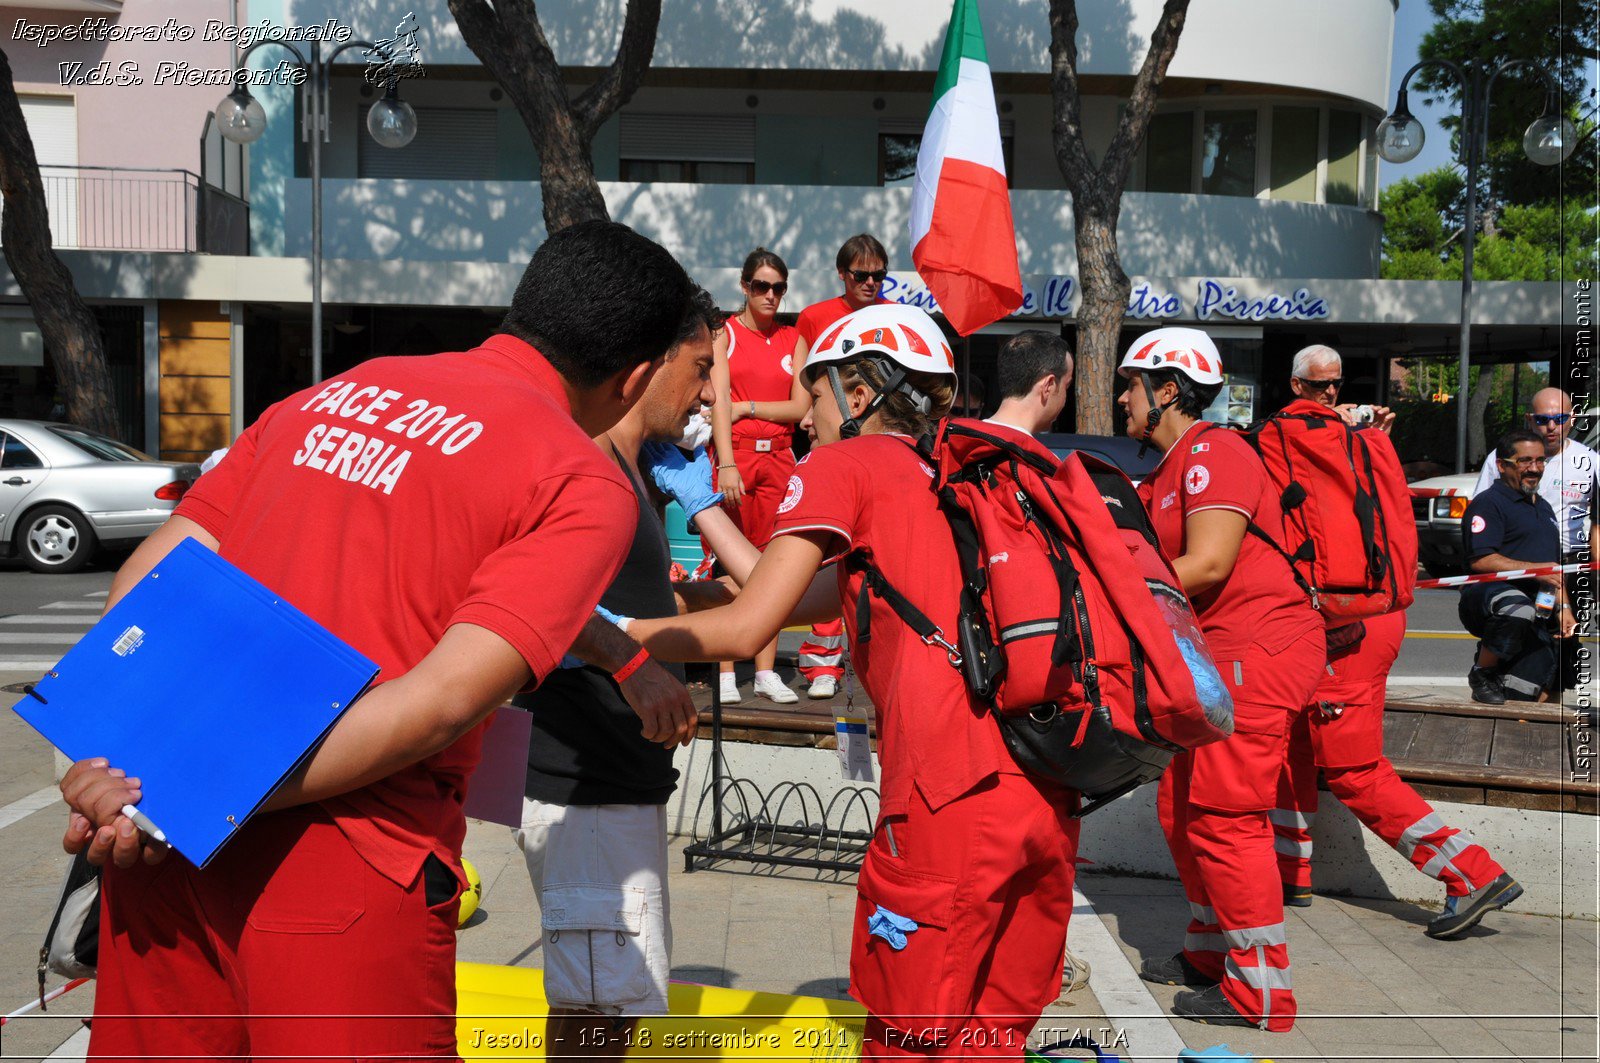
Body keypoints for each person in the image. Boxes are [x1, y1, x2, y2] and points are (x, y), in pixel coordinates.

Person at [58, 220, 704, 1060]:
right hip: (345, 867)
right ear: (637, 376)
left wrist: (139, 775)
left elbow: (151, 584)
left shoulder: (334, 392)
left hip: (167, 861)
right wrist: (198, 791)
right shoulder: (579, 481)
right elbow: (438, 703)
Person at [629, 303, 1081, 1059]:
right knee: (987, 1040)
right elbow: (773, 592)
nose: (807, 414)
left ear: (861, 394)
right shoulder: (951, 475)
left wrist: (610, 637)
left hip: (946, 801)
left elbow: (748, 630)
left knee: (906, 1036)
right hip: (1042, 792)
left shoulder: (847, 465)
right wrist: (695, 525)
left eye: (817, 393)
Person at [512, 288, 726, 1061]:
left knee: (604, 1010)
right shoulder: (581, 458)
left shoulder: (640, 467)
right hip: (582, 785)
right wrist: (631, 660)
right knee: (597, 1016)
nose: (708, 391)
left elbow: (623, 593)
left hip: (614, 785)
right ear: (653, 360)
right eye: (701, 368)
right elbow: (527, 590)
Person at [1271, 345, 1521, 939]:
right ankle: (1289, 868)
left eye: (1330, 386)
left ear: (1292, 386)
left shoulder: (1287, 435)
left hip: (1342, 619)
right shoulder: (1369, 437)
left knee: (1354, 768)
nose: (1328, 395)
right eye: (1323, 386)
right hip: (1371, 611)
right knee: (1293, 736)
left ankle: (1472, 874)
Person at [1118, 327, 1323, 1032]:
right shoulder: (1169, 467)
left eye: (1130, 384)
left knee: (1226, 818)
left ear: (1168, 389)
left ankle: (1263, 992)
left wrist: (1112, 604)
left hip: (1258, 649)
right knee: (1181, 808)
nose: (1121, 398)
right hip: (1219, 654)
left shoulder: (1215, 452)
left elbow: (1204, 566)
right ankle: (1211, 954)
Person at [789, 233, 895, 701]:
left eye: (878, 275)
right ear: (842, 274)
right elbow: (802, 395)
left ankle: (874, 656)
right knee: (828, 550)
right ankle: (821, 663)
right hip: (832, 445)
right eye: (860, 275)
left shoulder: (897, 316)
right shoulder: (815, 317)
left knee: (877, 555)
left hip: (884, 447)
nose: (870, 283)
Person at [709, 248, 810, 705]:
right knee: (729, 563)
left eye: (778, 288)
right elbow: (718, 405)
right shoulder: (725, 333)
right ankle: (726, 668)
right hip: (738, 457)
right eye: (761, 286)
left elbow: (799, 407)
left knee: (773, 565)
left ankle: (766, 671)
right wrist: (726, 461)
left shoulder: (793, 339)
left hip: (781, 457)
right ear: (745, 286)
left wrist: (748, 406)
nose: (770, 295)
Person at [1460, 429, 1574, 703]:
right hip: (1490, 597)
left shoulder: (1544, 508)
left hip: (1538, 606)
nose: (1534, 469)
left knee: (1537, 688)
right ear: (1501, 465)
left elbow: (1552, 571)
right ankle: (1482, 672)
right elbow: (1481, 560)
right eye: (1524, 461)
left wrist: (1564, 609)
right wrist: (1536, 570)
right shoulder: (1488, 503)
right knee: (1519, 609)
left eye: (1540, 461)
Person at [1472, 387, 1597, 561]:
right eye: (1542, 420)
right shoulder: (1504, 456)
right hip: (1516, 559)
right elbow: (1481, 506)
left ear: (1573, 418)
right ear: (1529, 420)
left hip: (1569, 560)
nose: (1551, 427)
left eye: (1560, 419)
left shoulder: (1591, 461)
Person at [1286, 343, 1395, 433]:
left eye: (1337, 383)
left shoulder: (1351, 426)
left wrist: (1377, 435)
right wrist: (1324, 421)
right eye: (1320, 384)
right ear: (1296, 385)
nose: (1331, 392)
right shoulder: (1281, 427)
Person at [984, 331, 1073, 438]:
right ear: (1049, 386)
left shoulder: (962, 441)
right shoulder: (1032, 453)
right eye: (1066, 387)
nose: (1065, 399)